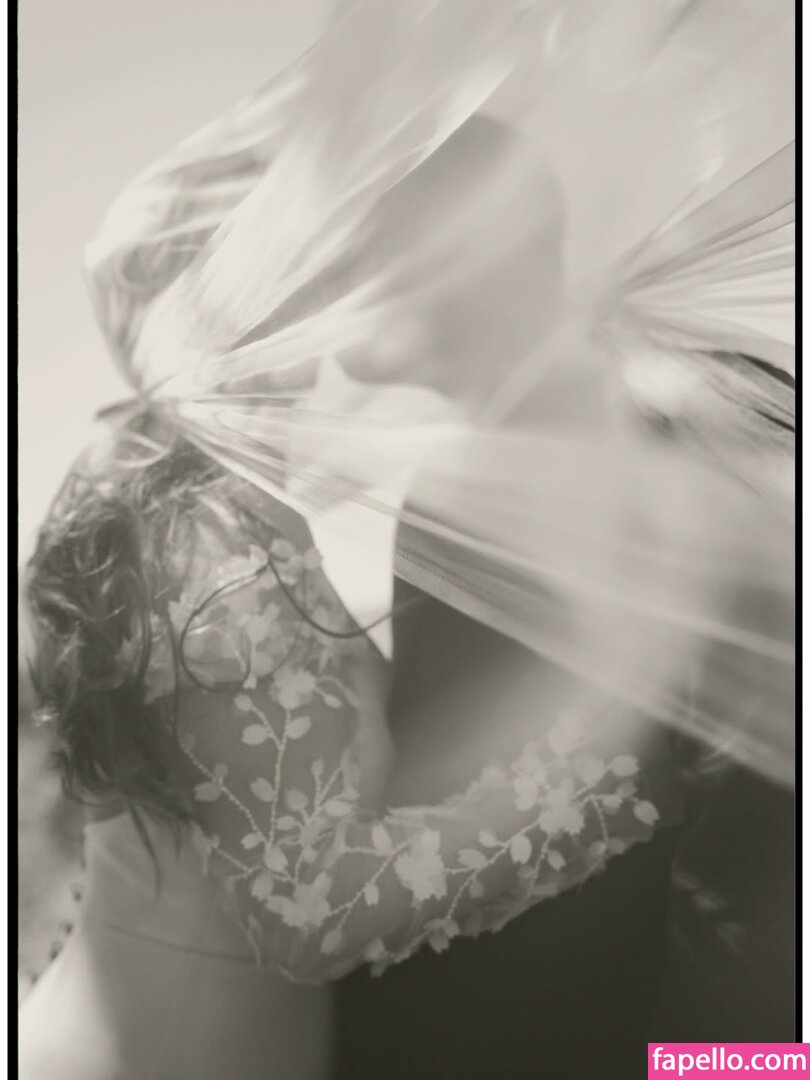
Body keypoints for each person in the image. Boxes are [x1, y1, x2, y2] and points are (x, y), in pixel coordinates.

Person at [19, 3, 794, 1078]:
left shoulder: (690, 457)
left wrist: (718, 1067)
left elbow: (759, 888)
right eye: (327, 263)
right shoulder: (226, 528)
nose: (350, 301)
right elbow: (306, 898)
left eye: (363, 263)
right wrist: (595, 782)